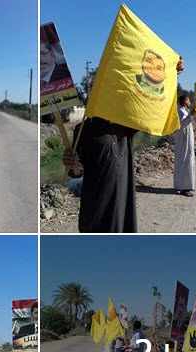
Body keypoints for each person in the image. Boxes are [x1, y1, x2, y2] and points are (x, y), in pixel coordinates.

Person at [63, 58, 185, 233]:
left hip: (123, 201)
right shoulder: (84, 128)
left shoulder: (126, 124)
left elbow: (151, 106)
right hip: (97, 205)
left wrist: (171, 75)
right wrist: (72, 164)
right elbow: (77, 171)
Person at [173, 95, 195, 197]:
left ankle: (186, 185)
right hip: (183, 142)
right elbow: (183, 123)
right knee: (184, 163)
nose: (190, 102)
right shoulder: (181, 111)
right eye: (189, 100)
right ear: (185, 101)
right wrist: (192, 114)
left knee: (188, 162)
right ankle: (183, 188)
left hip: (187, 142)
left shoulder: (185, 111)